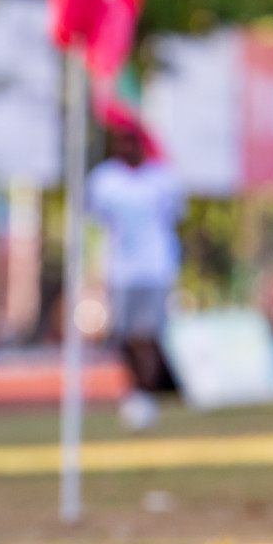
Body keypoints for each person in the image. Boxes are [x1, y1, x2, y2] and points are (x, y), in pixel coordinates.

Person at [87, 123, 185, 431]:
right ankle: (135, 392)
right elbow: (96, 219)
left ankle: (146, 396)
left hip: (154, 269)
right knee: (125, 336)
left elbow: (174, 217)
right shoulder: (104, 180)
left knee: (148, 334)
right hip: (121, 270)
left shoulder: (162, 180)